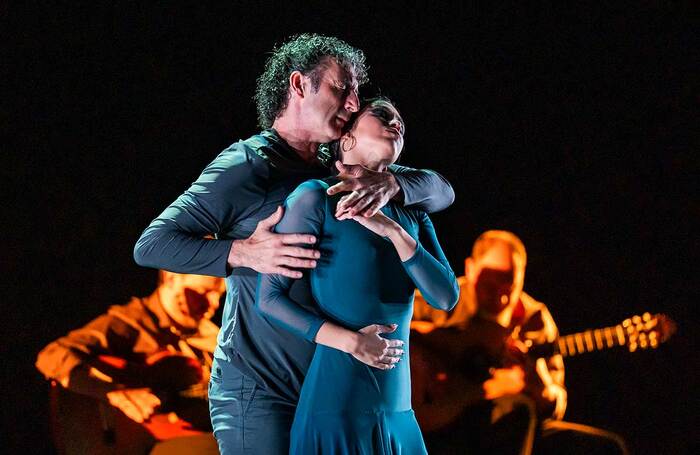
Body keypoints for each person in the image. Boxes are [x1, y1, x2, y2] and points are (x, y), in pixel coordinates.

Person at [133, 34, 455, 454]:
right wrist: (242, 252)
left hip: (327, 385)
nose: (354, 103)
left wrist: (392, 182)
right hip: (261, 391)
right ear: (300, 85)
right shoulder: (247, 165)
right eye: (343, 88)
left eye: (357, 93)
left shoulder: (339, 165)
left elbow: (441, 190)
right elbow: (152, 244)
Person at [256, 97, 460, 453]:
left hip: (399, 413)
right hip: (337, 405)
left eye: (401, 122)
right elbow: (269, 299)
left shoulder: (410, 213)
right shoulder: (315, 198)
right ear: (346, 138)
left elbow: (445, 298)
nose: (396, 121)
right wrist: (351, 342)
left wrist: (393, 232)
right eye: (382, 114)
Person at [411, 230, 629, 454]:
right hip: (439, 419)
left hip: (509, 428)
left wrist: (540, 388)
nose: (501, 298)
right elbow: (383, 328)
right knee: (518, 410)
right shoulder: (436, 300)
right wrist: (440, 349)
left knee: (606, 448)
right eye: (489, 287)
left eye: (510, 288)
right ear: (471, 270)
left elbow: (556, 404)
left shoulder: (535, 320)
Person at [35, 270, 225, 454]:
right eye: (203, 292)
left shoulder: (213, 337)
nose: (213, 303)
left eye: (220, 294)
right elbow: (52, 355)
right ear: (171, 277)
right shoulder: (129, 324)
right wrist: (113, 393)